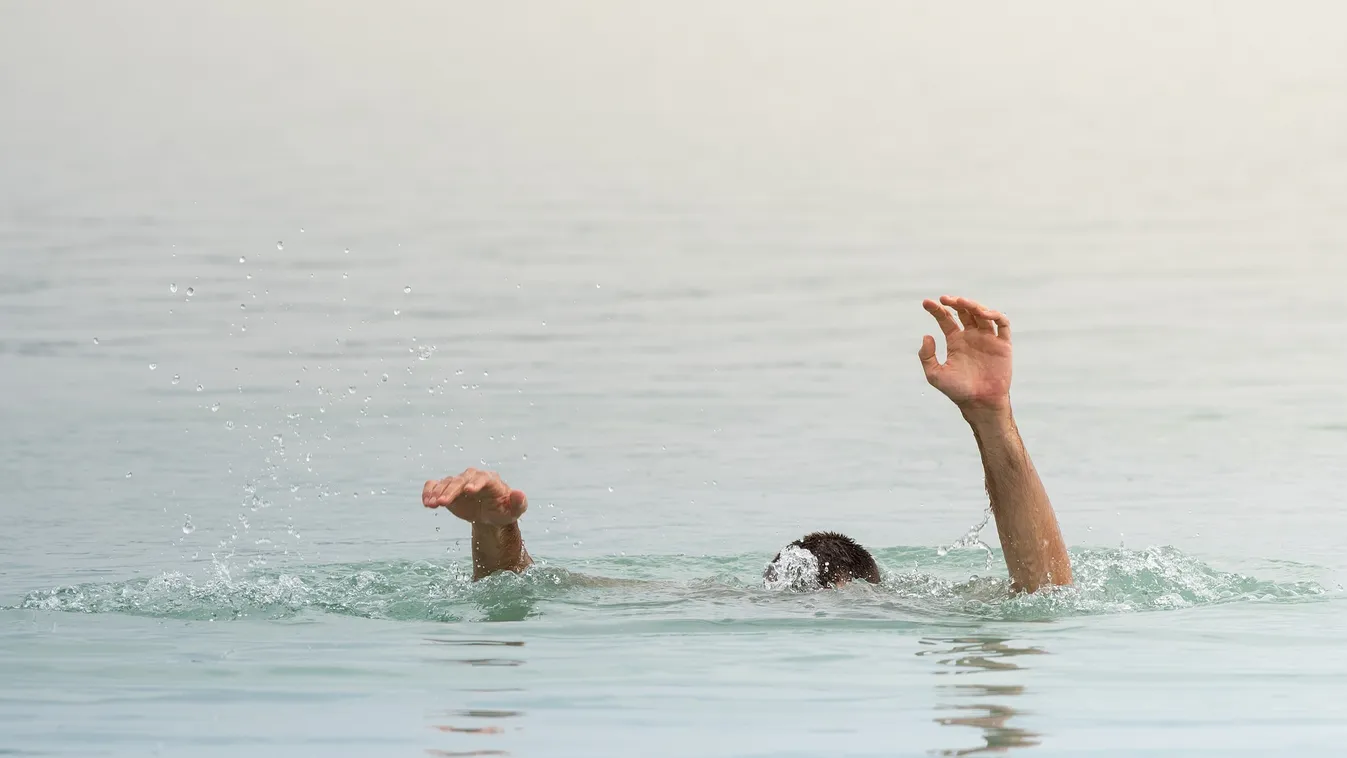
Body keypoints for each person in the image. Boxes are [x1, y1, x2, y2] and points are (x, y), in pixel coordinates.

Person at [421, 296, 1072, 593]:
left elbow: (519, 590)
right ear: (865, 589)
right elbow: (1044, 589)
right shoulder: (907, 610)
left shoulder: (708, 599)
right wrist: (993, 419)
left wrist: (495, 534)